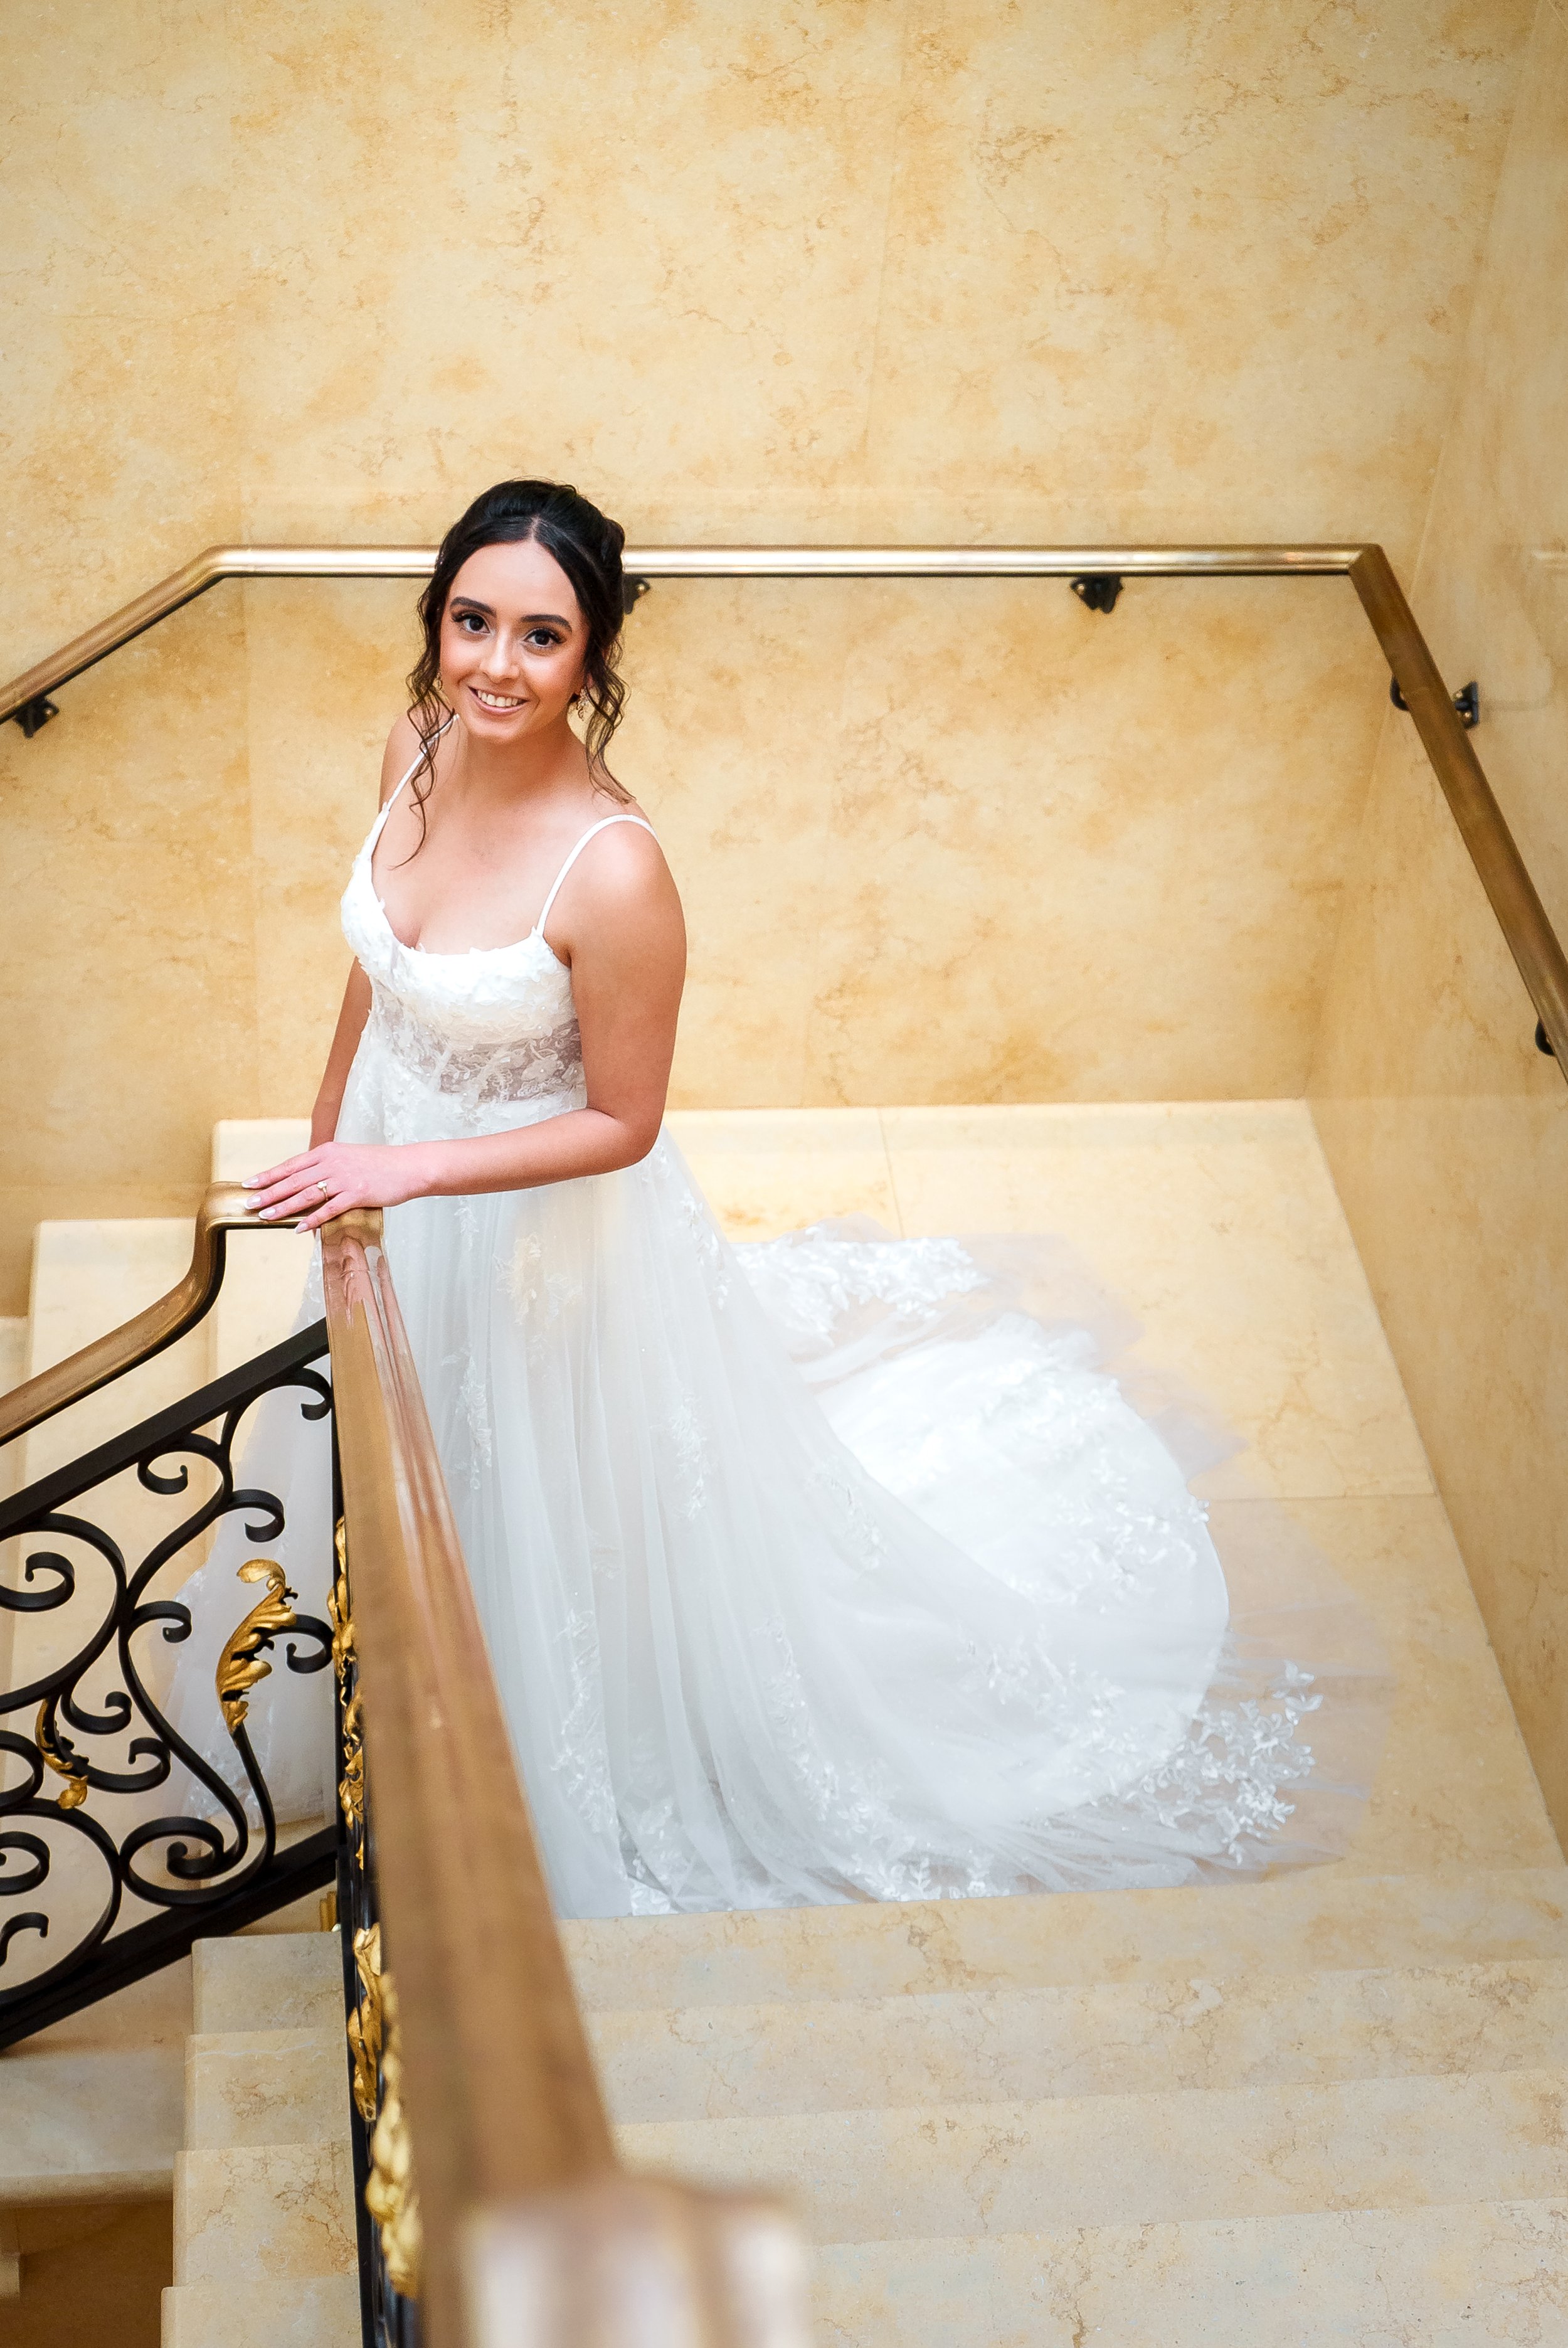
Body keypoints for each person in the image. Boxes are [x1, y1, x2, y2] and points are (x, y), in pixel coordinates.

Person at [235, 477, 1378, 1919]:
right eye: (471, 623)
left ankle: (540, 1728)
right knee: (412, 1435)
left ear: (593, 659)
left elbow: (623, 1124)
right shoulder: (413, 749)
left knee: (540, 1471)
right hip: (384, 1176)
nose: (494, 668)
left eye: (540, 637)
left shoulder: (615, 867)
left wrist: (405, 1168)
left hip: (531, 1225)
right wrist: (338, 1120)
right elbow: (382, 965)